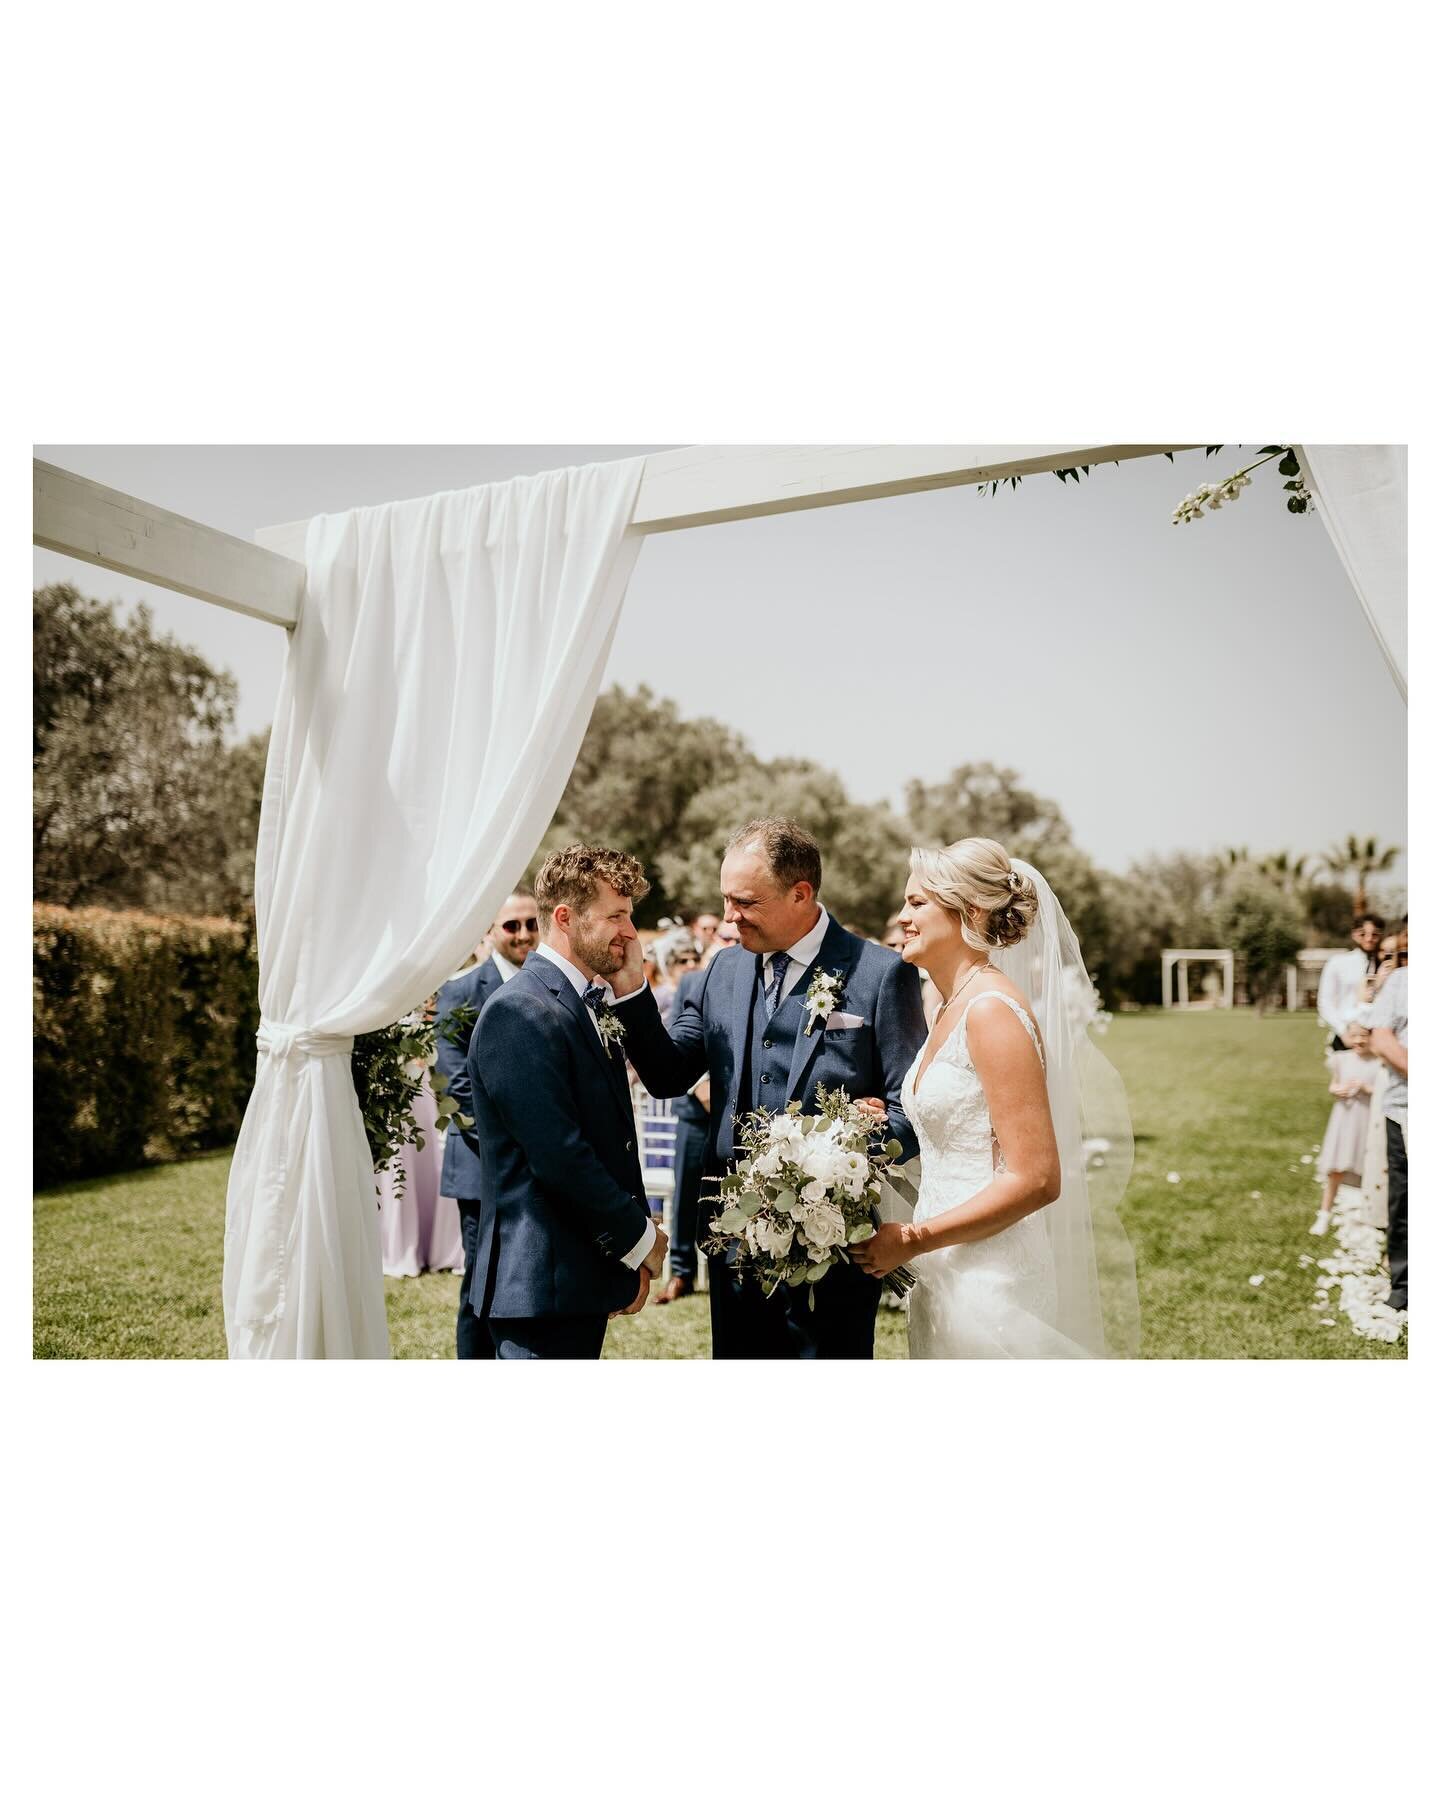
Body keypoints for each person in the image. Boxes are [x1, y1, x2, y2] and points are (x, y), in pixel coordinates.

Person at [616, 817, 927, 1359]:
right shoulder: (721, 973)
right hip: (731, 1238)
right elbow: (667, 1075)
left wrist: (844, 1151)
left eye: (746, 903)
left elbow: (911, 1110)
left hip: (834, 1241)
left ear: (800, 893)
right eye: (726, 901)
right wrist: (630, 990)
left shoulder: (880, 974)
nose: (731, 920)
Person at [852, 838, 1140, 1359]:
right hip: (942, 1266)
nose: (901, 918)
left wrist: (914, 1238)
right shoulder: (948, 1005)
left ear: (970, 909)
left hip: (990, 1273)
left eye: (917, 903)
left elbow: (1036, 1178)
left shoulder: (991, 1011)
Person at [463, 845, 668, 1358]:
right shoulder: (519, 1011)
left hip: (573, 1277)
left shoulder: (584, 1000)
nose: (628, 931)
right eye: (616, 915)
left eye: (630, 915)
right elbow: (558, 1153)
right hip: (537, 1284)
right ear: (565, 918)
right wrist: (640, 1237)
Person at [433, 889, 538, 1358]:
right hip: (481, 1167)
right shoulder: (460, 991)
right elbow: (456, 1085)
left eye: (530, 924)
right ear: (490, 932)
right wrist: (523, 1146)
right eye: (511, 926)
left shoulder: (551, 983)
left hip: (539, 1167)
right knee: (479, 1281)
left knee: (523, 1279)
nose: (523, 934)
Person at [1359, 924, 1407, 1311]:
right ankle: (1404, 1284)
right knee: (1405, 1197)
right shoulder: (1402, 984)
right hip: (1406, 1104)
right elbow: (1380, 1036)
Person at [1317, 914, 1385, 1050]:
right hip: (1345, 1036)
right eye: (1363, 934)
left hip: (1377, 1038)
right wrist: (1343, 1031)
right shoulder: (1338, 962)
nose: (1369, 939)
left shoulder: (1385, 965)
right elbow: (1325, 1002)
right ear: (1354, 934)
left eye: (1375, 934)